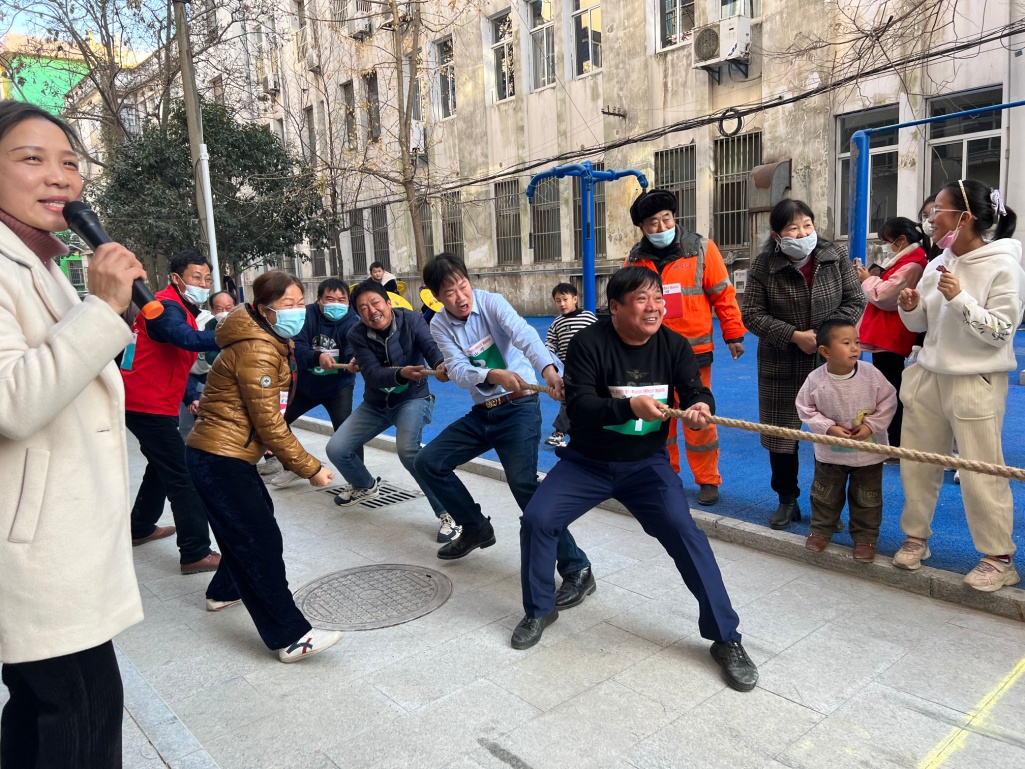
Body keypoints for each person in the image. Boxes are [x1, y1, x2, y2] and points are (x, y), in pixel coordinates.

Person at [516, 267, 758, 691]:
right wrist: (630, 407)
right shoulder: (589, 343)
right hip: (587, 463)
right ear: (615, 307)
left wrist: (701, 405)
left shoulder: (674, 344)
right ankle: (539, 609)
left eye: (658, 298)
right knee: (538, 519)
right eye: (642, 299)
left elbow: (695, 389)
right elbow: (581, 405)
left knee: (686, 533)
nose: (654, 307)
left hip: (646, 466)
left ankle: (725, 637)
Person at [0, 100, 145, 768]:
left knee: (52, 712)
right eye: (31, 159)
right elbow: (13, 401)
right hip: (35, 547)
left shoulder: (42, 263)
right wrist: (104, 306)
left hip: (62, 538)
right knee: (77, 717)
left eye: (68, 162)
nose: (59, 177)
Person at [414, 253, 595, 609]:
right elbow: (458, 370)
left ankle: (577, 567)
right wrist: (493, 375)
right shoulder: (439, 325)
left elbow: (525, 336)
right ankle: (475, 527)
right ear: (436, 296)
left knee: (523, 484)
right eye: (449, 292)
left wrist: (549, 372)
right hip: (483, 412)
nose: (460, 297)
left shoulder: (491, 303)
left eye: (462, 285)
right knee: (428, 462)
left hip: (519, 408)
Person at [185, 270, 344, 661]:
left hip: (222, 455)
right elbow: (270, 423)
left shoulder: (267, 338)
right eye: (287, 304)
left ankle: (224, 591)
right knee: (259, 542)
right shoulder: (256, 349)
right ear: (264, 309)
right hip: (220, 459)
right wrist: (310, 468)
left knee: (250, 528)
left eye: (299, 302)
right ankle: (290, 636)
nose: (296, 310)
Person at [894, 179, 1024, 591]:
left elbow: (1001, 332)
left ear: (964, 217)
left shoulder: (1004, 265)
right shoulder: (940, 261)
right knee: (917, 462)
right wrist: (911, 308)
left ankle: (998, 557)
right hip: (930, 374)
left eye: (939, 210)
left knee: (980, 469)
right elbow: (924, 324)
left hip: (975, 380)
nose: (930, 218)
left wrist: (961, 298)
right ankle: (916, 537)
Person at [742, 198, 866, 530]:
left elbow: (855, 299)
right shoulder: (763, 265)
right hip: (781, 361)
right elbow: (751, 314)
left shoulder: (834, 256)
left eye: (807, 225)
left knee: (833, 435)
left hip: (830, 361)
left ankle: (827, 508)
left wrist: (826, 337)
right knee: (782, 437)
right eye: (793, 228)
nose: (802, 233)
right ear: (777, 235)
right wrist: (794, 335)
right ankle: (787, 500)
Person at [624, 189, 747, 506]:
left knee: (698, 417)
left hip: (694, 354)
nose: (662, 226)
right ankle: (665, 476)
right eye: (653, 222)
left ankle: (708, 480)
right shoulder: (634, 259)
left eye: (666, 218)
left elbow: (723, 294)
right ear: (642, 228)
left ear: (675, 217)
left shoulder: (702, 249)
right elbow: (626, 306)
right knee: (657, 421)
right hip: (650, 356)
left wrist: (734, 334)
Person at [325, 281, 461, 542]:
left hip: (412, 398)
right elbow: (373, 374)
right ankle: (365, 486)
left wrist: (440, 364)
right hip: (375, 404)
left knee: (408, 452)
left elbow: (430, 347)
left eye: (375, 303)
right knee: (337, 448)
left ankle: (449, 512)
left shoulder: (412, 320)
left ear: (388, 303)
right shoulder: (356, 334)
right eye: (363, 308)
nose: (371, 311)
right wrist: (401, 373)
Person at [121, 250, 221, 574]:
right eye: (196, 278)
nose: (203, 285)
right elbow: (185, 338)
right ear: (176, 278)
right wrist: (232, 335)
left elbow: (177, 356)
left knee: (160, 466)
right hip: (146, 405)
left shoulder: (177, 307)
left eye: (207, 279)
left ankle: (140, 527)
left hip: (152, 402)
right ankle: (195, 552)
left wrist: (190, 395)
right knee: (183, 473)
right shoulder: (163, 307)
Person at [795, 320, 897, 562]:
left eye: (857, 342)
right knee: (824, 495)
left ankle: (865, 538)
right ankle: (820, 531)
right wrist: (828, 427)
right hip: (830, 454)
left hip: (868, 453)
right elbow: (805, 408)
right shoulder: (816, 379)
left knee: (867, 498)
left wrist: (871, 426)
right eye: (846, 343)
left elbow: (889, 400)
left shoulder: (871, 374)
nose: (854, 348)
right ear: (825, 351)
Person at [262, 278, 361, 487]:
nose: (336, 304)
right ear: (319, 300)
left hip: (338, 387)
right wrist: (317, 357)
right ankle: (293, 467)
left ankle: (360, 480)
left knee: (347, 432)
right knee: (276, 422)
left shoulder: (353, 320)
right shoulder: (305, 314)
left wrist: (354, 359)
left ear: (348, 302)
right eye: (330, 299)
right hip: (305, 385)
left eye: (342, 300)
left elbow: (354, 345)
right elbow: (297, 345)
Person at [855, 217, 929, 449]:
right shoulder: (906, 261)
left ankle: (895, 441)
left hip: (892, 336)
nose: (886, 246)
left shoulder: (912, 265)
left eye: (887, 241)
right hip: (887, 335)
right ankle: (893, 438)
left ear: (901, 239)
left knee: (891, 390)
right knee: (889, 387)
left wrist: (869, 280)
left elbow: (885, 296)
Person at [543, 282, 597, 448]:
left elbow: (600, 337)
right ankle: (560, 433)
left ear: (575, 299)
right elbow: (550, 343)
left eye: (565, 299)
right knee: (568, 398)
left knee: (589, 398)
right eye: (558, 300)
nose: (562, 304)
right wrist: (546, 356)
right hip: (568, 368)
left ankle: (587, 432)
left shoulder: (588, 317)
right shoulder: (557, 323)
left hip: (589, 366)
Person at [178, 290, 236, 439]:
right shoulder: (208, 324)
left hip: (216, 375)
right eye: (219, 309)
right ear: (213, 309)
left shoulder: (244, 324)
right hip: (190, 372)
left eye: (228, 308)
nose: (224, 312)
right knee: (190, 415)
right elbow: (209, 356)